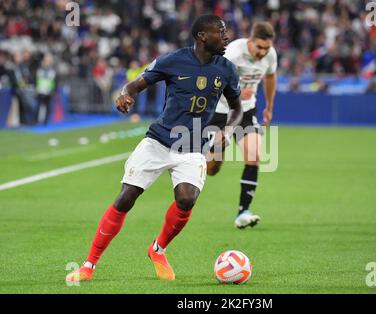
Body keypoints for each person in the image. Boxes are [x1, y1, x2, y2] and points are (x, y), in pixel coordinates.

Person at [66, 14, 242, 282]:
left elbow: (237, 107)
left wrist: (226, 131)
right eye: (221, 31)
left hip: (193, 147)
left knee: (186, 199)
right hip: (158, 141)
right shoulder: (173, 60)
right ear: (202, 36)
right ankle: (89, 266)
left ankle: (158, 249)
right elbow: (134, 85)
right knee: (126, 197)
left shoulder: (227, 69)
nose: (226, 36)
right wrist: (126, 95)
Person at [206, 22, 277, 229]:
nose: (263, 52)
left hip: (246, 111)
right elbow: (211, 83)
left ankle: (242, 212)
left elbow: (271, 77)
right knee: (212, 168)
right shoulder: (232, 54)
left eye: (266, 48)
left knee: (253, 156)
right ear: (250, 41)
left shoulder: (270, 55)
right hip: (219, 112)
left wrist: (269, 107)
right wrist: (235, 93)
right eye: (259, 48)